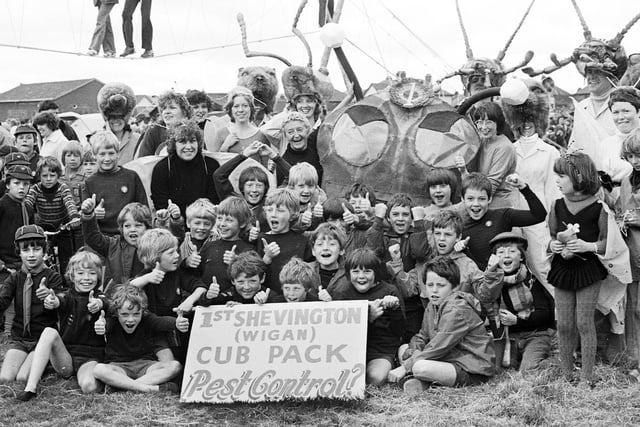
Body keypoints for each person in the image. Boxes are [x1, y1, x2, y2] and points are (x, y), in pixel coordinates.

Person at [387, 257, 495, 393]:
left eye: (441, 285)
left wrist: (405, 367)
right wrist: (412, 350)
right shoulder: (433, 305)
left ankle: (420, 379)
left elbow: (438, 346)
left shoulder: (458, 309)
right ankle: (423, 382)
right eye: (430, 285)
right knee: (404, 348)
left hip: (471, 368)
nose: (434, 290)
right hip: (447, 359)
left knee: (420, 367)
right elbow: (423, 335)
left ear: (454, 287)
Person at [548, 152, 611, 384]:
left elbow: (606, 242)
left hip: (588, 271)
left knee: (584, 323)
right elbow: (553, 236)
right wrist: (553, 244)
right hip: (563, 268)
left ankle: (586, 377)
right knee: (564, 324)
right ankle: (567, 375)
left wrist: (588, 246)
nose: (557, 180)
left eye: (561, 175)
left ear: (579, 177)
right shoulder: (556, 205)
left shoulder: (599, 207)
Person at [16, 251, 107, 401]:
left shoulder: (100, 297)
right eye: (80, 273)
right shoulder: (68, 296)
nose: (86, 278)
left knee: (89, 387)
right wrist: (52, 301)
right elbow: (60, 300)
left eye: (91, 273)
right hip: (66, 358)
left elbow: (106, 304)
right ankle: (30, 389)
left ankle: (99, 380)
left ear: (98, 276)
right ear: (72, 276)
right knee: (49, 332)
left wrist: (99, 304)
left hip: (90, 358)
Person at [130, 228, 208, 361]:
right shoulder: (146, 276)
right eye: (171, 253)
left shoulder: (176, 273)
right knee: (170, 361)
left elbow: (201, 287)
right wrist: (148, 278)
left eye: (176, 251)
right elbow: (129, 287)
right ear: (155, 257)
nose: (177, 255)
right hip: (154, 333)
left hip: (178, 328)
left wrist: (189, 301)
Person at [330, 248, 406, 386]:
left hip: (380, 350)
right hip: (350, 350)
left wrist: (395, 310)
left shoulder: (390, 291)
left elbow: (400, 331)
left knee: (375, 378)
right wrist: (367, 319)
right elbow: (338, 333)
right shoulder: (342, 293)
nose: (361, 276)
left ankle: (391, 364)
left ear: (376, 273)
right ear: (348, 274)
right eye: (356, 271)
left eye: (367, 271)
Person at [0, 225, 65, 383]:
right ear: (18, 252)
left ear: (44, 251)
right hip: (20, 339)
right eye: (25, 250)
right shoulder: (15, 278)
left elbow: (62, 301)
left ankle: (47, 359)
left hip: (41, 340)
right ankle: (31, 359)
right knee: (5, 378)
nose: (31, 255)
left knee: (23, 377)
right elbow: (3, 302)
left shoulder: (53, 277)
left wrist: (51, 298)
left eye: (36, 249)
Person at [92, 285, 185, 393]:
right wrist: (100, 326)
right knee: (99, 369)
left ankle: (123, 387)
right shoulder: (112, 321)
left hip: (146, 366)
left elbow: (162, 322)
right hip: (119, 367)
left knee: (175, 366)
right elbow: (104, 325)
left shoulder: (147, 319)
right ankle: (149, 388)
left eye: (136, 314)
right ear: (117, 313)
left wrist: (177, 323)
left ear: (143, 311)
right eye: (125, 314)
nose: (130, 319)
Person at [366, 193, 431, 342]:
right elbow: (372, 250)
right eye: (395, 214)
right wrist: (377, 220)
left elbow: (420, 252)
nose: (400, 219)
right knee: (388, 337)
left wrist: (419, 223)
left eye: (405, 215)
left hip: (411, 302)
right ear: (388, 218)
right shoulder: (383, 237)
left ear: (411, 218)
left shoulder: (416, 235)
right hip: (386, 297)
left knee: (410, 336)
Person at [488, 232, 555, 372]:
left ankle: (556, 362)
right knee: (498, 370)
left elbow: (545, 314)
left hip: (534, 335)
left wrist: (516, 320)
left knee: (528, 370)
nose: (506, 255)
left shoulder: (530, 281)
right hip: (509, 338)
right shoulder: (492, 283)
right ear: (494, 258)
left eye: (512, 251)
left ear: (521, 256)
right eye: (501, 252)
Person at [458, 172, 546, 271]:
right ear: (462, 199)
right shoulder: (459, 227)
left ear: (490, 199)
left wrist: (523, 187)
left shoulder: (502, 216)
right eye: (470, 199)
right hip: (482, 282)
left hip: (510, 279)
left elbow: (539, 216)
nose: (476, 204)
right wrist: (463, 250)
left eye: (481, 199)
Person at [150, 120, 220, 218]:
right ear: (174, 144)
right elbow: (160, 204)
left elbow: (215, 200)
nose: (188, 147)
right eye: (182, 141)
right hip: (173, 224)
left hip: (204, 222)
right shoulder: (162, 168)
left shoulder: (210, 165)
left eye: (192, 141)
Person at [83, 131, 148, 236]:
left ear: (118, 153)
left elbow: (144, 209)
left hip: (129, 237)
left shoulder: (131, 177)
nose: (107, 159)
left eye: (111, 153)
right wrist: (92, 214)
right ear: (95, 156)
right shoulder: (89, 183)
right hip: (103, 238)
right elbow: (85, 218)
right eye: (102, 154)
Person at [185, 196, 254, 293]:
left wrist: (237, 263)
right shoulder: (209, 246)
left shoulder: (248, 249)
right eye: (220, 218)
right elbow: (195, 276)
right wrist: (188, 263)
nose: (222, 224)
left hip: (232, 304)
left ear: (242, 223)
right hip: (207, 303)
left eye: (229, 220)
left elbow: (251, 280)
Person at [213, 141, 288, 228]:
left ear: (265, 188)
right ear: (242, 188)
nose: (254, 190)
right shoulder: (233, 202)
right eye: (249, 185)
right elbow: (219, 175)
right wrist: (243, 155)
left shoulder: (272, 203)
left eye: (259, 185)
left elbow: (293, 177)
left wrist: (273, 155)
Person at [24, 156, 79, 275]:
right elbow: (28, 202)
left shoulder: (62, 188)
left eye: (52, 176)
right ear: (39, 176)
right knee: (40, 254)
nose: (48, 179)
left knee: (67, 256)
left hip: (61, 226)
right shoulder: (35, 189)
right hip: (44, 227)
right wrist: (23, 213)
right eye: (44, 176)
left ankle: (67, 281)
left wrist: (74, 216)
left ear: (58, 175)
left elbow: (69, 202)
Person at [456, 102, 517, 209]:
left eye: (489, 122)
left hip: (496, 206)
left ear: (498, 123)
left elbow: (491, 185)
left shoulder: (504, 147)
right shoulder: (482, 140)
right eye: (479, 122)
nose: (484, 127)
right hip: (479, 198)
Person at [81, 201, 151, 291]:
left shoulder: (153, 246)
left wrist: (171, 220)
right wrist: (88, 215)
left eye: (138, 225)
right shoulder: (113, 244)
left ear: (147, 228)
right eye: (127, 226)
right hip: (116, 298)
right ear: (121, 228)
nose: (132, 230)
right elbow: (92, 238)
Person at [258, 188, 312, 292]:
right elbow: (254, 277)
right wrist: (266, 258)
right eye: (269, 210)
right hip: (266, 300)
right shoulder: (259, 240)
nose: (273, 214)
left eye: (280, 210)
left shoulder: (302, 240)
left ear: (293, 215)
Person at [212, 87, 270, 165]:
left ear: (251, 108)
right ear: (230, 109)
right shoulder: (222, 133)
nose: (240, 110)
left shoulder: (261, 135)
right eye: (236, 106)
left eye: (245, 106)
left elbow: (266, 165)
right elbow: (214, 165)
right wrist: (224, 147)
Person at [597, 87, 639, 184]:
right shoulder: (606, 144)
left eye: (626, 111)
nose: (621, 117)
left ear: (638, 111)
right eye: (616, 112)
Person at [199, 251, 267, 306]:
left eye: (252, 281)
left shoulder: (268, 294)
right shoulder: (230, 293)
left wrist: (263, 305)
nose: (246, 287)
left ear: (262, 278)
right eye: (241, 282)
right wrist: (208, 296)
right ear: (232, 280)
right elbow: (205, 303)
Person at [136, 91, 192, 157]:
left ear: (184, 111)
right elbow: (143, 161)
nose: (167, 112)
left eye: (172, 108)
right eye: (164, 108)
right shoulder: (153, 131)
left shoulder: (193, 131)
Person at [97, 82, 140, 164]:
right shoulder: (95, 140)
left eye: (120, 116)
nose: (116, 120)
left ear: (126, 117)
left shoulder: (138, 140)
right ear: (106, 117)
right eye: (112, 116)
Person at [276, 112, 323, 186]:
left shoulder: (314, 142)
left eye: (299, 130)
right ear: (285, 135)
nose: (296, 135)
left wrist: (347, 103)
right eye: (290, 132)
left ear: (307, 130)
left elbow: (330, 121)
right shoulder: (284, 162)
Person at [256, 257, 331, 304]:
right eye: (287, 288)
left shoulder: (316, 304)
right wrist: (261, 304)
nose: (291, 293)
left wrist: (327, 303)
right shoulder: (275, 303)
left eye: (296, 288)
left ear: (307, 289)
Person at [288, 162, 327, 232]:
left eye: (310, 186)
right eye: (301, 186)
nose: (306, 191)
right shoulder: (285, 201)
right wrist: (302, 221)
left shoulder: (320, 202)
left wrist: (317, 217)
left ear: (316, 187)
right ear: (292, 187)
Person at [179, 198, 218, 266]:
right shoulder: (182, 240)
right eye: (197, 223)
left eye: (206, 224)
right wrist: (187, 262)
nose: (201, 227)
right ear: (188, 223)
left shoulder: (217, 240)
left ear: (212, 225)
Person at [60, 141, 86, 210]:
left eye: (76, 156)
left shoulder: (85, 176)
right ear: (64, 158)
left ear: (81, 158)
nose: (72, 159)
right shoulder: (60, 175)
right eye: (68, 156)